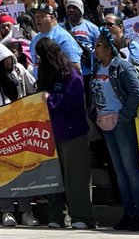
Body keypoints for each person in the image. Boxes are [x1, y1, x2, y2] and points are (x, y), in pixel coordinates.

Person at [34, 37, 95, 230]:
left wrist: (50, 99)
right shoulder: (47, 75)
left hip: (72, 132)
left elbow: (71, 101)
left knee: (75, 177)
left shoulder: (72, 75)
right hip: (51, 133)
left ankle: (82, 216)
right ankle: (57, 215)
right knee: (54, 176)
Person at [0, 40, 38, 227]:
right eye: (3, 61)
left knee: (24, 170)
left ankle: (27, 211)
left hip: (21, 125)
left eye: (10, 59)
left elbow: (31, 87)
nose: (8, 63)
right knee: (4, 170)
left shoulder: (19, 69)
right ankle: (7, 211)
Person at [90, 31, 139, 231]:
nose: (94, 49)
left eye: (97, 46)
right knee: (120, 172)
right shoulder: (98, 67)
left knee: (130, 170)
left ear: (107, 48)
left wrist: (125, 117)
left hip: (121, 124)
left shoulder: (121, 66)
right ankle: (128, 212)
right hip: (105, 123)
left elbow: (137, 91)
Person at [31, 4, 83, 70]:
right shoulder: (35, 39)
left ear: (52, 18)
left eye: (41, 16)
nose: (37, 19)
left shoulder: (62, 37)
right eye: (35, 16)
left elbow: (75, 67)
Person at [63, 0, 100, 79]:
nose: (71, 10)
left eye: (74, 7)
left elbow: (99, 48)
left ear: (81, 10)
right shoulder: (59, 28)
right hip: (66, 74)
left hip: (87, 73)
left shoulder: (92, 28)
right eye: (69, 7)